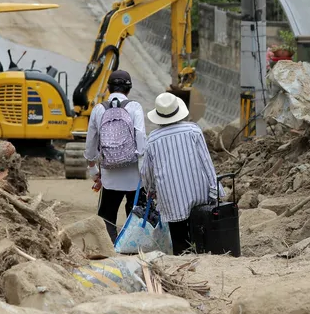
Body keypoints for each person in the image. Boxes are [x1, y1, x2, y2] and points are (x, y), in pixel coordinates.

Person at [140, 92, 222, 255]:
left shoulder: (153, 139)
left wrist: (150, 190)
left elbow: (146, 171)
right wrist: (214, 189)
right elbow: (206, 162)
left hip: (171, 197)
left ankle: (183, 259)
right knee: (200, 232)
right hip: (198, 192)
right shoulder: (193, 130)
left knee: (178, 238)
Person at [84, 70, 147, 242]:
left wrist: (92, 169)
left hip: (109, 173)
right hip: (134, 174)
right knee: (136, 211)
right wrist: (144, 170)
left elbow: (91, 143)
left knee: (107, 213)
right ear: (129, 89)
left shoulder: (98, 109)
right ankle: (132, 245)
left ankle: (108, 246)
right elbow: (141, 138)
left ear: (108, 88)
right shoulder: (135, 107)